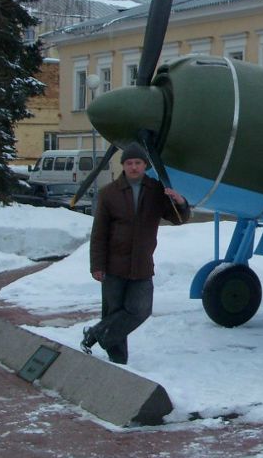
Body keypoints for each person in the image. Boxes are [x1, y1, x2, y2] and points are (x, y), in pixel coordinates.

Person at [81, 143, 189, 364]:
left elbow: (177, 218)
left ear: (144, 165)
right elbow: (99, 233)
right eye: (129, 163)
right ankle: (119, 362)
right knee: (114, 312)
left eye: (138, 163)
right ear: (123, 165)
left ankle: (95, 334)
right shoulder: (108, 193)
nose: (133, 167)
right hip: (113, 265)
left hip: (142, 265)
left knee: (140, 310)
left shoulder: (156, 190)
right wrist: (97, 265)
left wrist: (181, 202)